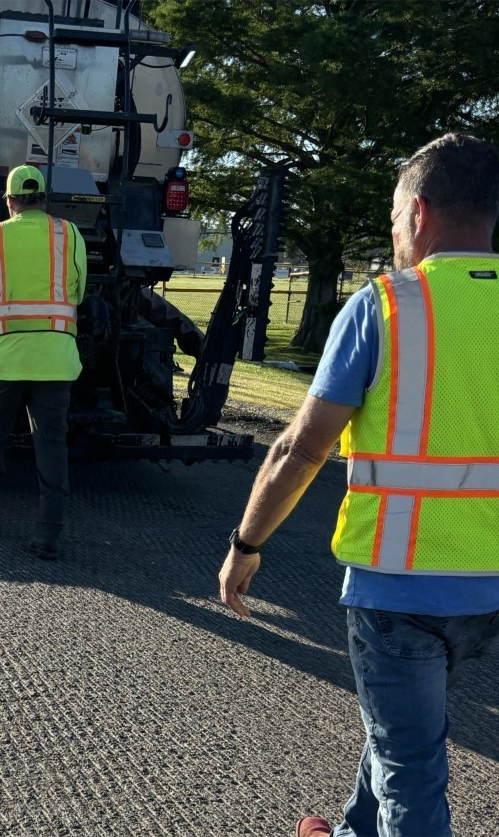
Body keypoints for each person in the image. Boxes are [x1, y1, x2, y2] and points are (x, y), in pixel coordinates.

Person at [217, 133, 499, 837]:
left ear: (420, 213)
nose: (396, 231)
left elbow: (299, 447)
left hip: (396, 589)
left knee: (414, 773)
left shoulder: (386, 306)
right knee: (402, 725)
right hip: (488, 589)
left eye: (396, 214)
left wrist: (245, 543)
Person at [0, 165, 86, 560]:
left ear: (10, 201)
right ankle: (47, 536)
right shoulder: (69, 234)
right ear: (43, 198)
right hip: (55, 363)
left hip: (4, 363)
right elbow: (77, 293)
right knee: (51, 448)